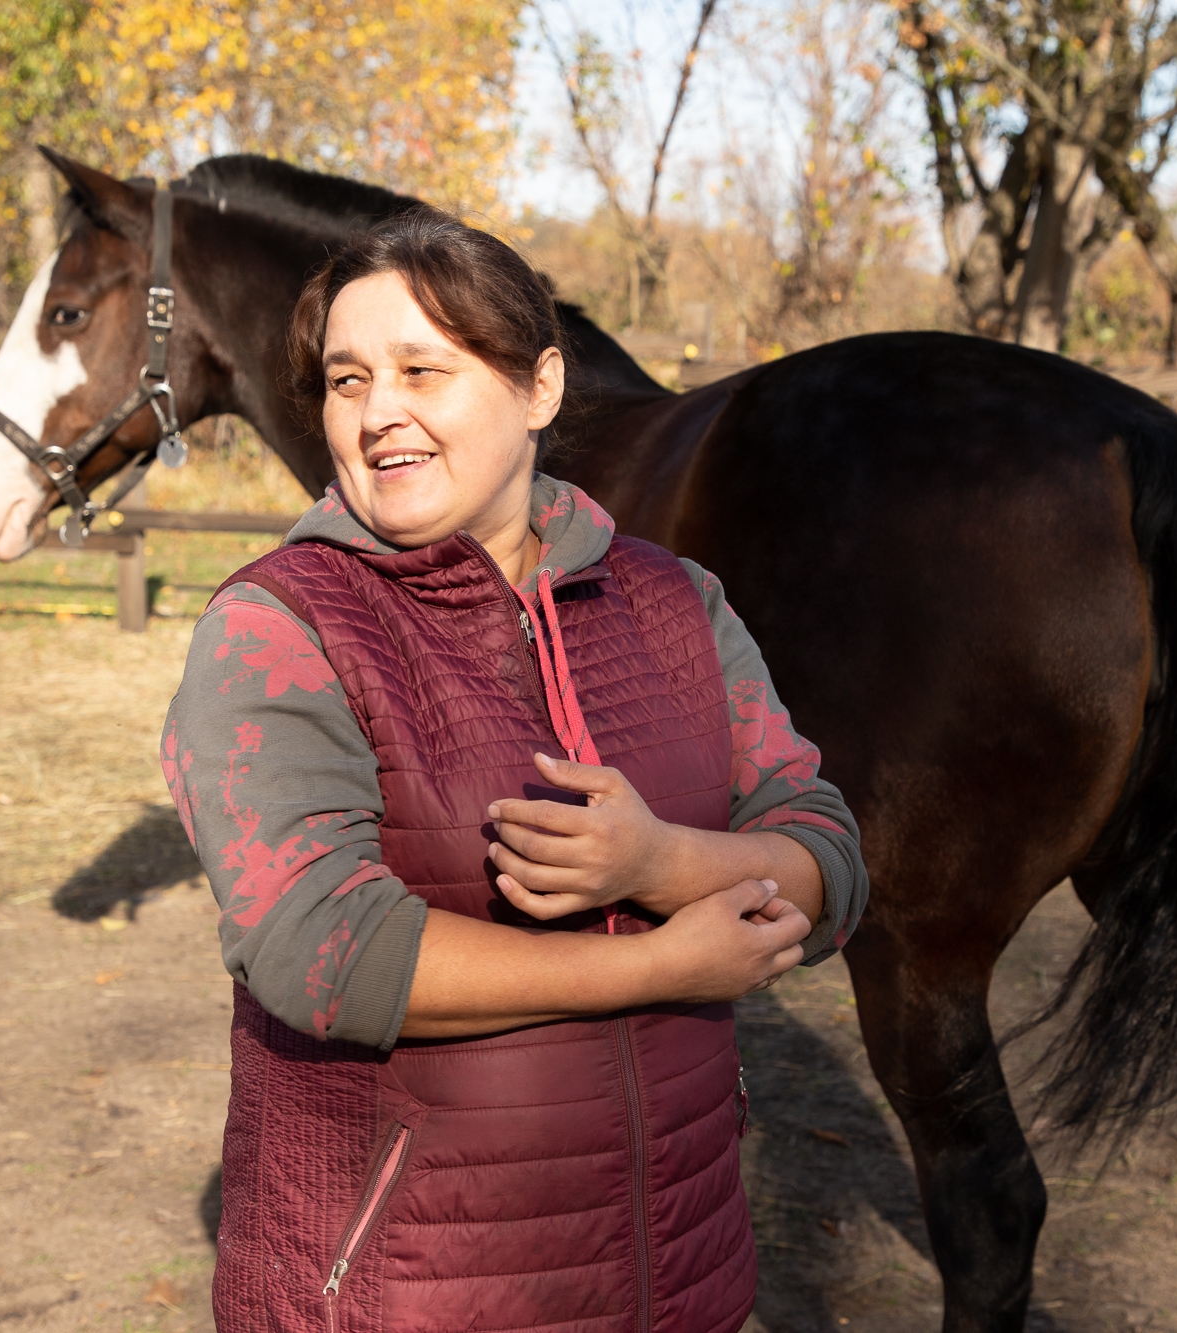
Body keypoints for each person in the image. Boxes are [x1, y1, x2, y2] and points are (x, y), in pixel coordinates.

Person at [160, 206, 867, 1333]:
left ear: (539, 388)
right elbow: (317, 948)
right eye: (346, 380)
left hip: (679, 1277)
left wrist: (660, 858)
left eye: (420, 370)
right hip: (409, 1299)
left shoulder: (676, 602)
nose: (377, 410)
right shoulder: (279, 626)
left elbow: (827, 853)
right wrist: (660, 965)